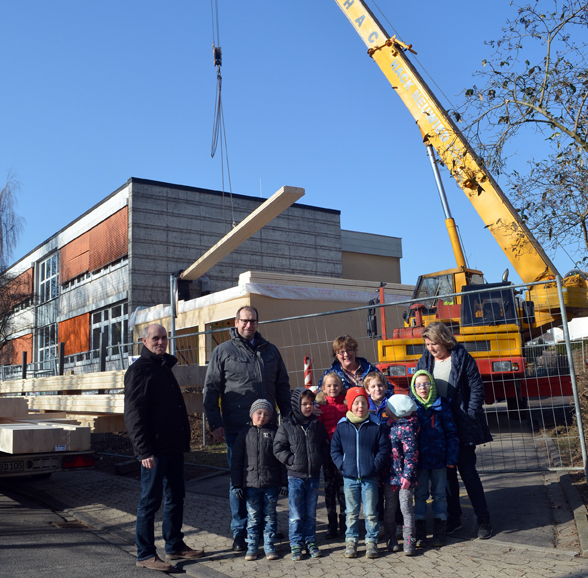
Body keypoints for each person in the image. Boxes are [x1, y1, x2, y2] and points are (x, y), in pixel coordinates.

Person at [203, 306, 292, 551]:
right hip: (237, 429)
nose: (248, 325)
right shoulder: (223, 351)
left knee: (268, 481)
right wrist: (216, 423)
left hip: (270, 430)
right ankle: (240, 532)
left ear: (257, 322)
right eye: (244, 321)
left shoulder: (270, 351)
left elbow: (283, 387)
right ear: (236, 322)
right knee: (240, 481)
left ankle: (265, 527)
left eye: (252, 321)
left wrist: (289, 421)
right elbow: (211, 390)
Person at [124, 324, 204, 572]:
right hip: (154, 451)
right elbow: (134, 414)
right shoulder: (139, 371)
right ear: (144, 341)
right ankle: (145, 553)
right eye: (155, 338)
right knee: (150, 501)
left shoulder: (164, 367)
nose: (161, 342)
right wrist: (143, 450)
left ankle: (175, 544)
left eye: (164, 338)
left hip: (173, 447)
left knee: (176, 497)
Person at [415, 322, 493, 540]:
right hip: (438, 428)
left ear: (444, 340)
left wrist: (469, 413)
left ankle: (484, 519)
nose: (430, 348)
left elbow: (477, 387)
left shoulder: (462, 357)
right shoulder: (425, 360)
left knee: (468, 472)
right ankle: (454, 518)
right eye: (427, 344)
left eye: (434, 343)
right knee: (447, 477)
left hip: (463, 425)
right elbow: (417, 385)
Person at [330, 386, 390, 559]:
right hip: (349, 477)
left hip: (369, 476)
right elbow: (335, 449)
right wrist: (342, 464)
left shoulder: (375, 425)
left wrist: (374, 465)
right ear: (350, 405)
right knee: (351, 512)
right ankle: (352, 540)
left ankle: (371, 541)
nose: (360, 407)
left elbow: (383, 448)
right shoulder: (342, 426)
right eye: (356, 403)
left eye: (363, 402)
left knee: (371, 512)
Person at [273, 387, 330, 561]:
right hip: (295, 477)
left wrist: (319, 458)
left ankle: (310, 540)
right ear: (296, 405)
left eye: (311, 403)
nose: (308, 407)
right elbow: (278, 448)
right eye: (304, 404)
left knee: (310, 512)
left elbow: (325, 444)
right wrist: (291, 460)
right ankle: (296, 542)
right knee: (296, 513)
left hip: (313, 476)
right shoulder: (287, 426)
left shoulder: (316, 425)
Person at [230, 399, 287, 561]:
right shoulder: (244, 433)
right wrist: (236, 484)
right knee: (253, 517)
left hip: (271, 484)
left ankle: (270, 546)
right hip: (250, 484)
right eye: (259, 413)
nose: (262, 416)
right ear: (252, 414)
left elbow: (281, 460)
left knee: (270, 516)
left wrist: (284, 482)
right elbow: (237, 461)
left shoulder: (275, 432)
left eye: (266, 414)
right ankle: (252, 547)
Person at [410, 369, 459, 548]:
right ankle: (420, 530)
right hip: (420, 461)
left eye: (426, 384)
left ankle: (440, 529)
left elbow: (451, 433)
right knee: (420, 494)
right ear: (414, 388)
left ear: (432, 386)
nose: (423, 388)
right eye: (419, 385)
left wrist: (451, 457)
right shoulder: (411, 407)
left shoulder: (442, 406)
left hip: (439, 459)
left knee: (439, 494)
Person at [383, 394, 419, 556]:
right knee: (390, 509)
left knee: (406, 508)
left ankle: (409, 541)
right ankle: (391, 539)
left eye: (388, 406)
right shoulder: (390, 426)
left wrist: (408, 475)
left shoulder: (407, 428)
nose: (385, 408)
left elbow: (411, 453)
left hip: (404, 479)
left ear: (395, 410)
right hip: (390, 477)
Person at [315, 371, 347, 538]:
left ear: (341, 387)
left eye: (336, 385)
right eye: (329, 386)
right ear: (323, 389)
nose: (333, 388)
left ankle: (344, 522)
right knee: (329, 488)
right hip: (328, 454)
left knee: (343, 489)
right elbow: (318, 431)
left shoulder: (347, 405)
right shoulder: (320, 408)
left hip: (344, 453)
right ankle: (331, 523)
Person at [363, 371, 393, 535]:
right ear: (367, 390)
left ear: (385, 387)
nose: (377, 389)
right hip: (373, 455)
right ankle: (378, 523)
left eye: (380, 385)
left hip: (391, 455)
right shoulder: (364, 407)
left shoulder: (392, 404)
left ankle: (395, 522)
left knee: (391, 491)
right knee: (375, 492)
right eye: (373, 386)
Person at [317, 335, 393, 393]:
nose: (346, 354)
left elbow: (388, 389)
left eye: (349, 350)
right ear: (336, 355)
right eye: (341, 352)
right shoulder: (330, 375)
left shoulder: (370, 370)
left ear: (354, 351)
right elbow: (319, 395)